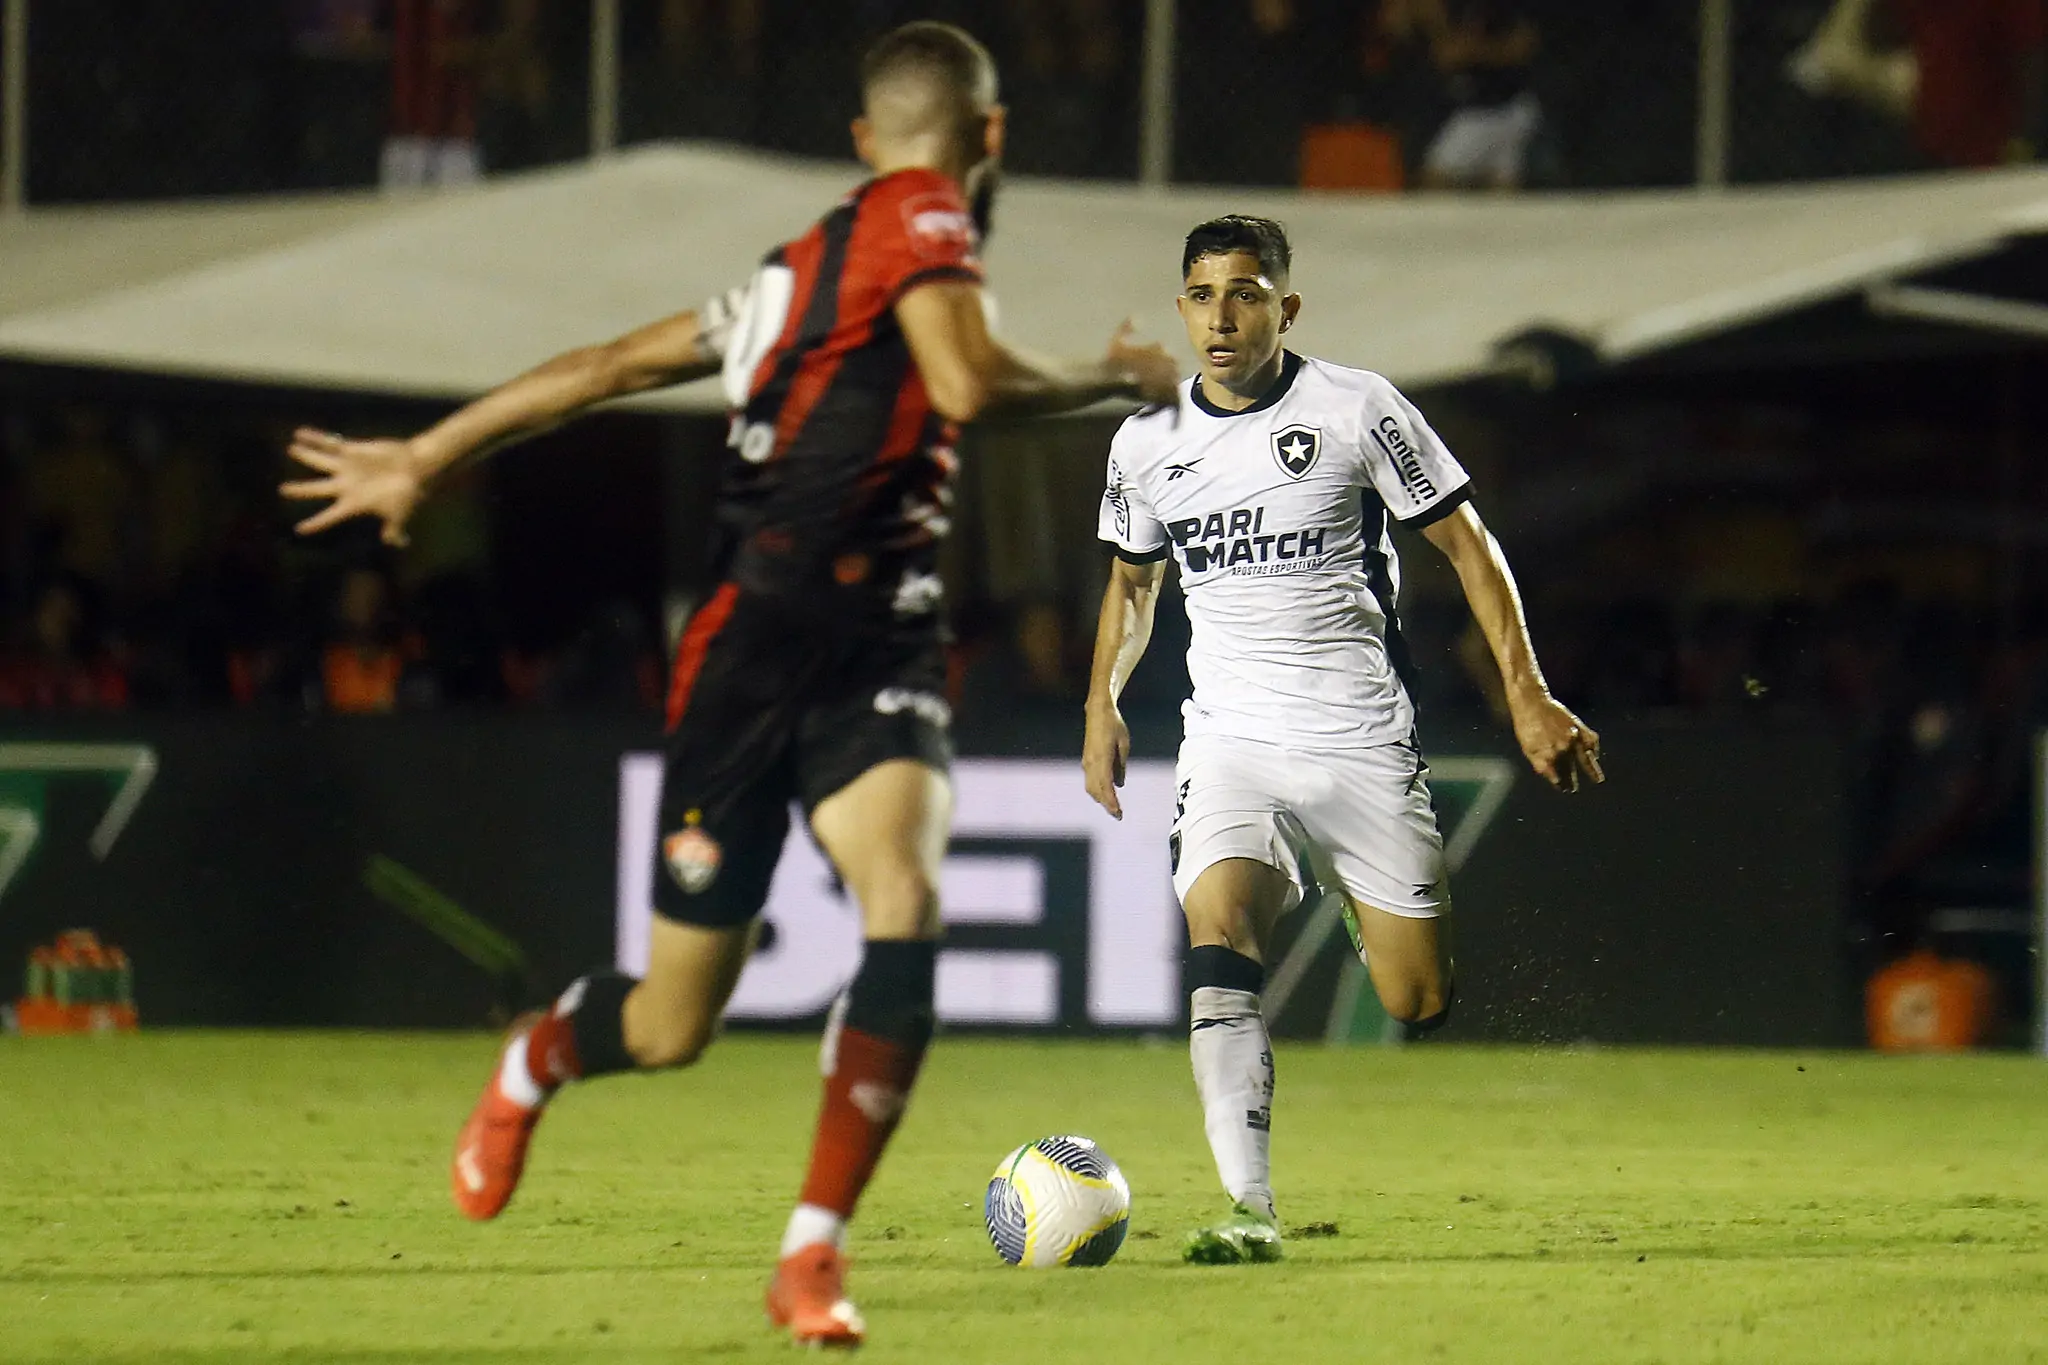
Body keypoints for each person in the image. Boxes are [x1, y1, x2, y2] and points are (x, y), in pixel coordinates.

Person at [281, 20, 1178, 1346]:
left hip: (878, 647)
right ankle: (538, 1055)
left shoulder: (787, 276)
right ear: (988, 142)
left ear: (863, 136)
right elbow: (967, 381)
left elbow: (601, 372)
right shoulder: (923, 218)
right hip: (748, 665)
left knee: (907, 892)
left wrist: (430, 450)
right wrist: (1116, 377)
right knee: (666, 1026)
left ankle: (810, 1255)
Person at [1081, 215, 1600, 1264]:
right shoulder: (1144, 442)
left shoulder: (1356, 408)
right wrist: (1101, 704)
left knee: (1417, 998)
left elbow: (1465, 545)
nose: (1220, 317)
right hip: (1226, 740)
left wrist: (1527, 694)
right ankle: (1247, 1206)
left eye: (1244, 293)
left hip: (1359, 739)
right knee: (1217, 942)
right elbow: (1132, 584)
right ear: (1180, 308)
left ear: (1285, 306)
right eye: (1201, 296)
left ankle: (1373, 920)